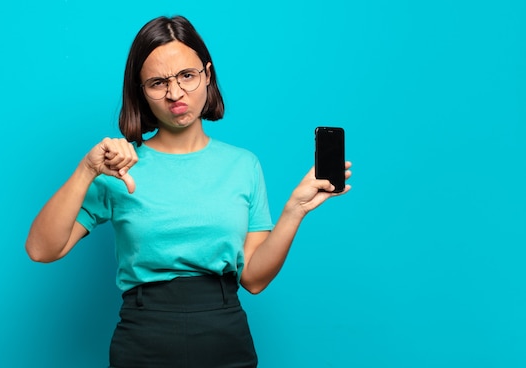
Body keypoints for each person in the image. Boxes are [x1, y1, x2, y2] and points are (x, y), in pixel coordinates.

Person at [25, 15, 352, 368]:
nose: (175, 93)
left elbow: (254, 280)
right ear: (140, 91)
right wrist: (87, 170)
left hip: (225, 335)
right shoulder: (118, 166)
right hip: (143, 338)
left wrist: (294, 211)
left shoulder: (243, 165)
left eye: (187, 76)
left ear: (207, 75)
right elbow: (42, 250)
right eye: (157, 82)